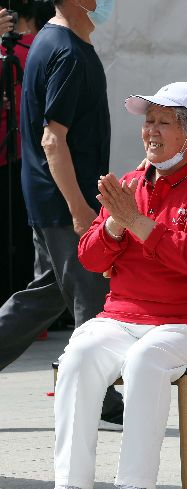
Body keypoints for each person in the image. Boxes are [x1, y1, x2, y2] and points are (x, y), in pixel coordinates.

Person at [30, 82, 187, 489]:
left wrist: (137, 223)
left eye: (164, 122)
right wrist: (114, 228)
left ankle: (135, 487)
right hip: (125, 316)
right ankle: (72, 486)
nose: (151, 131)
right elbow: (89, 256)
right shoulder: (128, 185)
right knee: (79, 354)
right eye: (148, 121)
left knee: (146, 358)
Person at [0, 0, 123, 429]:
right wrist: (79, 209)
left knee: (46, 296)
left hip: (49, 195)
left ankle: (100, 395)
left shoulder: (51, 42)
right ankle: (99, 400)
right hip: (63, 200)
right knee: (90, 298)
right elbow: (55, 140)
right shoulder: (68, 51)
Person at [0, 0, 54, 304]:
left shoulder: (22, 52)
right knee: (25, 239)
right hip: (31, 158)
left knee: (19, 237)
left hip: (17, 155)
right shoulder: (47, 48)